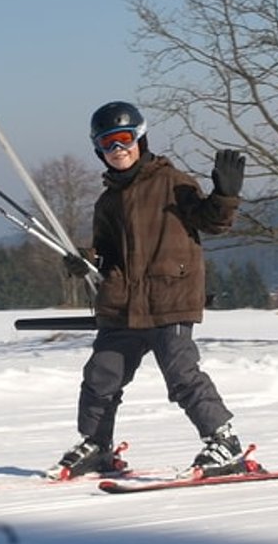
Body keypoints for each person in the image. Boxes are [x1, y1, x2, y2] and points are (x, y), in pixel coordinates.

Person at [50, 100, 250, 479]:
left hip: (169, 299)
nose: (119, 150)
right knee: (100, 376)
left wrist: (225, 195)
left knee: (181, 373)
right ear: (99, 151)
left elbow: (212, 221)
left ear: (141, 138)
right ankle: (96, 445)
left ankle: (225, 442)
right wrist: (85, 260)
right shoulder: (107, 201)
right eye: (109, 144)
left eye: (125, 139)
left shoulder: (172, 182)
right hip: (123, 305)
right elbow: (106, 252)